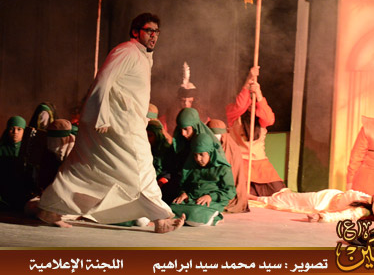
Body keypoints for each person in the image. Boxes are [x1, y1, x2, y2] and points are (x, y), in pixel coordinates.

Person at [37, 13, 184, 232]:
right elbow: (103, 80)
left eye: (156, 32)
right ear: (135, 31)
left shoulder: (143, 56)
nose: (154, 36)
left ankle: (50, 209)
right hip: (116, 125)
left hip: (126, 123)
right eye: (149, 31)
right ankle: (160, 219)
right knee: (141, 167)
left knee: (84, 168)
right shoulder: (126, 51)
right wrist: (100, 115)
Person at [226, 66, 285, 196]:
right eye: (249, 99)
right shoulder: (234, 115)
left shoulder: (260, 118)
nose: (251, 103)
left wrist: (258, 93)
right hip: (240, 164)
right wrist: (248, 81)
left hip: (260, 165)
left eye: (254, 101)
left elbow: (270, 119)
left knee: (279, 195)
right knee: (243, 197)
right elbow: (239, 106)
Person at [170, 133, 236, 226]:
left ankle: (216, 217)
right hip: (193, 199)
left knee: (195, 214)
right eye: (195, 155)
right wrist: (184, 193)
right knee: (171, 208)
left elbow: (230, 192)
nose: (198, 159)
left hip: (212, 201)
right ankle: (190, 218)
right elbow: (185, 185)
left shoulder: (223, 169)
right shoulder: (192, 166)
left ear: (210, 152)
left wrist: (210, 197)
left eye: (201, 154)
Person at [208, 118, 249, 213]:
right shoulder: (208, 148)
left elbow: (233, 177)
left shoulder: (233, 150)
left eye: (217, 136)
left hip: (227, 189)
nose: (214, 139)